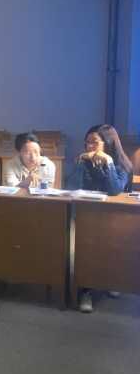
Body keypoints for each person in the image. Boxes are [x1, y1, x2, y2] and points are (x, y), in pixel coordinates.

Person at [67, 124, 132, 313]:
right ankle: (85, 290)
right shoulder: (83, 161)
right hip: (87, 215)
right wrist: (80, 164)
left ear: (108, 143)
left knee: (112, 247)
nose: (89, 147)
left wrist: (108, 163)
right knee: (85, 246)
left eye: (94, 142)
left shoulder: (121, 164)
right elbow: (71, 186)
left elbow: (114, 189)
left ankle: (110, 281)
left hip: (113, 217)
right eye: (87, 142)